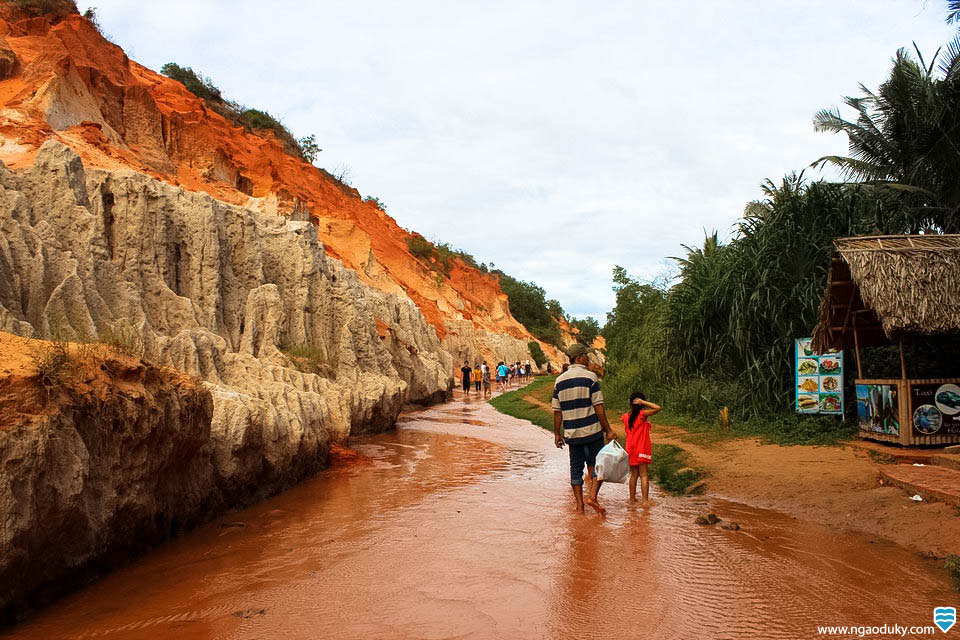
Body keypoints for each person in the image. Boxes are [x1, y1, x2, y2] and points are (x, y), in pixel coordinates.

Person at [552, 343, 615, 515]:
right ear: (579, 357)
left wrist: (557, 434)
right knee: (598, 465)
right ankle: (592, 497)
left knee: (575, 469)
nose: (588, 359)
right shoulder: (590, 377)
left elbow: (557, 412)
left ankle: (579, 507)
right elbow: (598, 406)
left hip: (572, 434)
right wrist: (608, 430)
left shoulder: (559, 381)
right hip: (592, 432)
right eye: (586, 356)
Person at [622, 391, 661, 506]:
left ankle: (632, 499)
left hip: (630, 449)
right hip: (641, 448)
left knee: (634, 474)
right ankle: (644, 501)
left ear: (630, 403)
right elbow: (658, 408)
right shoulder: (643, 415)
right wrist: (643, 402)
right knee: (644, 475)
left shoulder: (625, 417)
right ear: (641, 404)